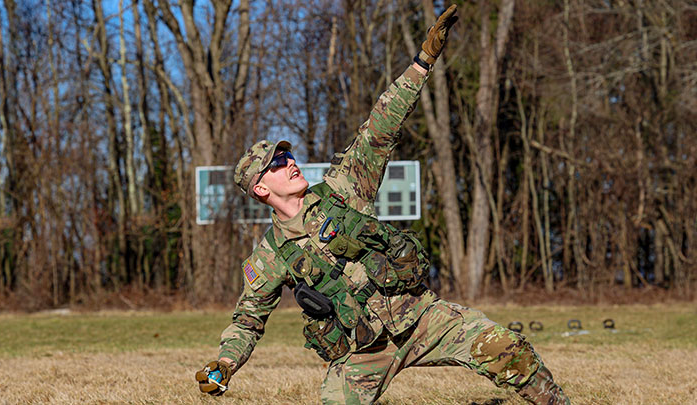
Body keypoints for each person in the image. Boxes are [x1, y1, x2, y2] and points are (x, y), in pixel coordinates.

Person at [196, 5, 569, 404]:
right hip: (364, 352)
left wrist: (422, 63)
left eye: (287, 156)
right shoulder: (271, 256)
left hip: (421, 318)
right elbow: (248, 320)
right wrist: (225, 363)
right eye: (276, 164)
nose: (290, 162)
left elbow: (379, 127)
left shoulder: (344, 186)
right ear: (259, 189)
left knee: (508, 349)